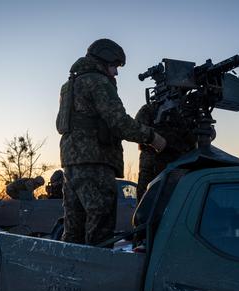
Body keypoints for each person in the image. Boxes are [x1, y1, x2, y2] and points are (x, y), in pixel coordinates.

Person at [56, 38, 166, 246]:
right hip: (96, 162)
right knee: (101, 228)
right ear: (104, 59)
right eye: (115, 66)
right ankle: (97, 276)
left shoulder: (69, 86)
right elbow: (119, 122)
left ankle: (70, 275)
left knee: (73, 231)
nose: (116, 73)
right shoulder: (98, 82)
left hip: (72, 165)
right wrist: (152, 138)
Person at [135, 102, 198, 201]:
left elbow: (194, 140)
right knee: (147, 203)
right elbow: (137, 131)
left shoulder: (186, 111)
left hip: (179, 168)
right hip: (153, 167)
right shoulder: (151, 109)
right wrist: (159, 139)